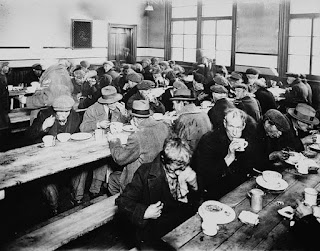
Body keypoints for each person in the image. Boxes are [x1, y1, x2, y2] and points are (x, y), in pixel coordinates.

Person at [116, 137, 199, 248]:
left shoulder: (184, 166)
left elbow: (196, 204)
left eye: (182, 169)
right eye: (174, 171)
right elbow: (123, 202)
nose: (179, 174)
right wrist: (144, 212)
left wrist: (194, 185)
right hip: (153, 231)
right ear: (164, 160)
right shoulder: (144, 173)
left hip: (180, 226)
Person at [26, 95, 85, 214]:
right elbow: (28, 137)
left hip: (68, 155)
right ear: (54, 110)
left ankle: (78, 200)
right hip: (48, 158)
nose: (63, 115)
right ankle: (54, 208)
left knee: (83, 167)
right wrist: (43, 126)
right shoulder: (44, 115)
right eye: (60, 112)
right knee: (47, 180)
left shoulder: (75, 116)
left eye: (66, 112)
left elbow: (77, 134)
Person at [107, 100, 170, 195]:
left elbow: (120, 159)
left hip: (139, 180)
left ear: (135, 119)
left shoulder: (137, 137)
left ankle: (125, 204)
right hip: (159, 175)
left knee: (112, 178)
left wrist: (113, 141)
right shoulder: (164, 126)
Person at [194, 108, 259, 200]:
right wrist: (230, 156)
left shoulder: (247, 138)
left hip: (240, 191)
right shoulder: (209, 140)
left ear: (244, 126)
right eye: (231, 126)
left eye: (238, 127)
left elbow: (251, 167)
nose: (235, 132)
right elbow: (206, 177)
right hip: (216, 194)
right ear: (225, 124)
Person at [80, 86, 129, 198]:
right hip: (96, 143)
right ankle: (95, 190)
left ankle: (105, 187)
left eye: (115, 101)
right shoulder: (93, 109)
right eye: (110, 102)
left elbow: (127, 124)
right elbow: (82, 127)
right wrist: (97, 124)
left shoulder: (119, 108)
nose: (114, 104)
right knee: (100, 163)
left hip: (113, 143)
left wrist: (124, 114)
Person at [0, 61, 10, 148]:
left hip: (4, 104)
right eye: (6, 66)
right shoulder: (1, 77)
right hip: (2, 104)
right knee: (4, 123)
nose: (8, 68)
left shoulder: (4, 76)